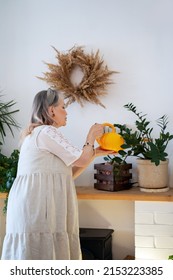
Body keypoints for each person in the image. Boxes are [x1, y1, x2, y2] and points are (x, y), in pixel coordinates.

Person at [1, 88, 114, 260]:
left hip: (33, 206)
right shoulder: (46, 132)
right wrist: (90, 137)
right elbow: (81, 160)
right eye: (63, 107)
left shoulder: (38, 133)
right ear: (51, 110)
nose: (66, 112)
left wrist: (95, 153)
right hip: (37, 207)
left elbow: (69, 174)